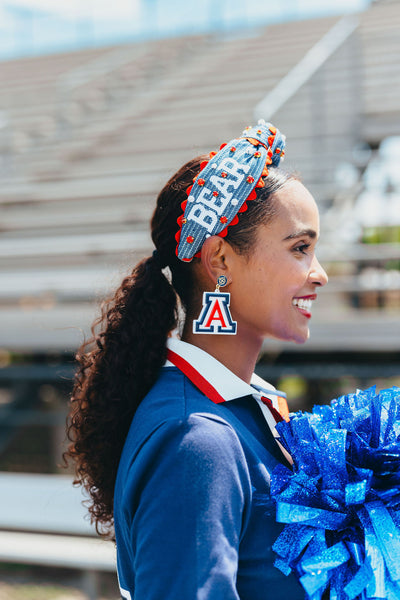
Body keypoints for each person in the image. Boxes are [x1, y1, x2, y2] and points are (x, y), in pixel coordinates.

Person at [65, 121, 328, 600]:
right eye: (300, 249)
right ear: (221, 261)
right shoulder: (198, 439)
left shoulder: (242, 407)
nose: (320, 274)